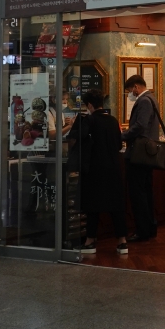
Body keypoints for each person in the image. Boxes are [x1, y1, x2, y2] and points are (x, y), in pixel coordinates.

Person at [66, 91, 128, 255]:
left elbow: (76, 138)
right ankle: (122, 241)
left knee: (92, 205)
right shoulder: (113, 120)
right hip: (113, 167)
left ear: (89, 105)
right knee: (116, 206)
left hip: (94, 168)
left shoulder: (89, 120)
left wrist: (74, 124)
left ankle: (90, 241)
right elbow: (118, 144)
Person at [122, 74, 160, 242]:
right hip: (147, 154)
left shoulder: (144, 101)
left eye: (130, 90)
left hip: (139, 154)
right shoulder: (152, 98)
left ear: (136, 87)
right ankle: (149, 228)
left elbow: (140, 125)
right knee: (147, 192)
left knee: (138, 194)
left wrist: (122, 135)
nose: (130, 94)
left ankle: (142, 230)